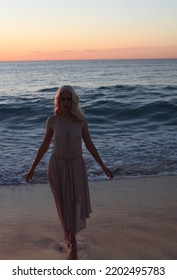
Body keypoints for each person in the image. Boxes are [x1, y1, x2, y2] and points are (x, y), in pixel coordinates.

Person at [26, 85, 113, 259]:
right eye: (62, 99)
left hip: (76, 167)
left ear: (73, 100)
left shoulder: (81, 121)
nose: (65, 102)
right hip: (57, 167)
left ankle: (70, 237)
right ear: (58, 101)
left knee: (75, 202)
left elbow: (89, 145)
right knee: (63, 204)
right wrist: (33, 168)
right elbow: (44, 146)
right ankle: (71, 238)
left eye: (68, 99)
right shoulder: (52, 120)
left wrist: (103, 166)